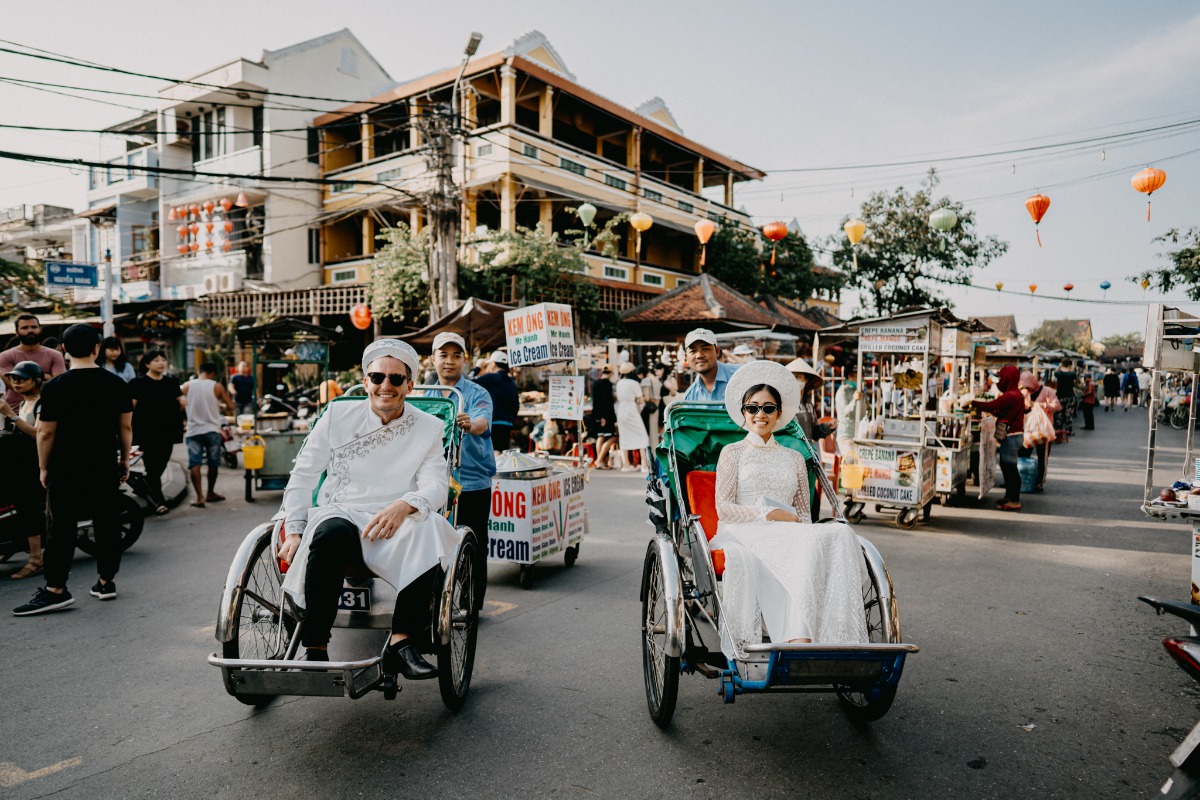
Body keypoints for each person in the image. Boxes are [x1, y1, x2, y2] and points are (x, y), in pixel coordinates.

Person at [277, 339, 461, 678]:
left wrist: (404, 505)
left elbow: (435, 485)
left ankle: (403, 641)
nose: (385, 386)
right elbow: (303, 474)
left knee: (432, 529)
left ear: (409, 383)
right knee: (329, 533)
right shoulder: (337, 414)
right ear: (366, 382)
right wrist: (295, 529)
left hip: (398, 515)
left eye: (395, 379)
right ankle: (315, 645)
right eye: (377, 377)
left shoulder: (429, 427)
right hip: (345, 509)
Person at [707, 360, 868, 658]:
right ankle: (798, 640)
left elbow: (804, 515)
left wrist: (793, 524)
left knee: (840, 535)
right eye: (753, 408)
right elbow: (724, 509)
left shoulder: (794, 457)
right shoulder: (732, 453)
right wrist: (768, 514)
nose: (760, 414)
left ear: (779, 414)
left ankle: (838, 637)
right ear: (743, 412)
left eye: (768, 408)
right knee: (804, 540)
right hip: (744, 531)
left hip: (789, 532)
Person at [13, 324, 133, 616]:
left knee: (61, 527)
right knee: (106, 523)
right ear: (97, 349)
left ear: (63, 350)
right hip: (104, 464)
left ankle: (56, 590)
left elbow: (45, 434)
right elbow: (126, 427)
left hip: (65, 467)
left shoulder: (54, 387)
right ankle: (106, 582)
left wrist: (43, 467)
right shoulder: (116, 384)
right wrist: (125, 459)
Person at [427, 332, 495, 610]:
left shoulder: (477, 393)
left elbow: (482, 423)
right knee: (431, 543)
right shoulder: (423, 395)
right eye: (443, 355)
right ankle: (432, 603)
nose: (449, 362)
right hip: (433, 484)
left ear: (464, 360)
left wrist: (468, 423)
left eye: (456, 356)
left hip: (472, 482)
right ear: (433, 359)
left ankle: (470, 605)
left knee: (473, 543)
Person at [0, 361, 47, 579]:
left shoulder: (41, 404)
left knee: (27, 507)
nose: (16, 383)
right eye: (14, 379)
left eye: (21, 379)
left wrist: (11, 415)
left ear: (36, 380)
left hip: (33, 465)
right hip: (17, 463)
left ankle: (36, 559)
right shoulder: (24, 402)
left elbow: (38, 433)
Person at [130, 351, 185, 515]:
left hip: (167, 432)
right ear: (147, 364)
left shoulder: (171, 382)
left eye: (163, 360)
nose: (161, 363)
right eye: (156, 360)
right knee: (153, 468)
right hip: (145, 432)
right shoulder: (137, 383)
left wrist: (182, 403)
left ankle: (143, 486)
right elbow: (130, 408)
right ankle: (158, 501)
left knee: (159, 465)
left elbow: (179, 402)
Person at [786, 358, 835, 521]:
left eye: (800, 377)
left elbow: (814, 432)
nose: (796, 381)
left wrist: (828, 427)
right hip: (788, 459)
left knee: (810, 501)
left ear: (806, 381)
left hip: (808, 459)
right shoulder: (783, 405)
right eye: (793, 376)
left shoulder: (808, 406)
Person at [182, 362, 234, 507]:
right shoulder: (216, 386)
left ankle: (199, 497)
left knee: (195, 464)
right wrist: (220, 406)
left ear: (198, 371)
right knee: (213, 463)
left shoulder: (186, 386)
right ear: (212, 374)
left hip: (193, 431)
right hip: (212, 429)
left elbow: (180, 404)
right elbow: (231, 406)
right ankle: (210, 493)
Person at [974, 365, 1025, 511]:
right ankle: (1010, 496)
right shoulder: (1015, 394)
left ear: (1008, 378)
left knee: (1010, 468)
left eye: (1002, 377)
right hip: (1013, 436)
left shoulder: (1011, 395)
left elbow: (991, 405)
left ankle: (1015, 500)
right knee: (1006, 466)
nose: (1000, 380)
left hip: (1012, 437)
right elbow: (1003, 410)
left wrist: (972, 403)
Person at [0, 313, 66, 409]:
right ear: (16, 332)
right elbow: (15, 385)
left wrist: (25, 378)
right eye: (25, 328)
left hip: (47, 410)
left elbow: (58, 384)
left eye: (34, 327)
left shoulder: (55, 355)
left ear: (40, 329)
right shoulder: (4, 356)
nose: (30, 330)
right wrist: (46, 376)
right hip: (14, 412)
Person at [1018, 371, 1060, 493]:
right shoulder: (1025, 392)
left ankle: (1039, 482)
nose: (1026, 388)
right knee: (1023, 454)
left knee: (1042, 457)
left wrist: (1039, 405)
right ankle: (1022, 479)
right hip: (1030, 430)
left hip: (1044, 431)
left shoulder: (1047, 391)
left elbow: (1056, 406)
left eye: (1027, 385)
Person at [476, 350, 518, 452]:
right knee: (502, 454)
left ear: (493, 364)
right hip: (507, 424)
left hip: (492, 422)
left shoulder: (491, 377)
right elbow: (516, 406)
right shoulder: (512, 382)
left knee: (493, 453)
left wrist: (477, 368)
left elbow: (467, 383)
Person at [681, 328, 739, 402]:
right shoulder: (690, 397)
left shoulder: (740, 375)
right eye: (693, 351)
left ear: (717, 351)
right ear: (686, 357)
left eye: (705, 349)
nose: (699, 355)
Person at [615, 362, 649, 472]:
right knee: (642, 436)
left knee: (624, 437)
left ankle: (626, 465)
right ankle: (644, 465)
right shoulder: (634, 383)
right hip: (631, 409)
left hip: (621, 410)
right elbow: (641, 399)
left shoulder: (619, 383)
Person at [589, 365, 618, 469]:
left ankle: (600, 462)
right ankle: (599, 460)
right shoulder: (608, 384)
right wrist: (603, 417)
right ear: (610, 373)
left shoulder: (595, 384)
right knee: (613, 437)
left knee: (600, 437)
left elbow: (596, 401)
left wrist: (599, 416)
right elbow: (606, 401)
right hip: (606, 415)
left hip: (596, 413)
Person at [833, 365, 864, 459]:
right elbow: (845, 412)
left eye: (858, 376)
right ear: (847, 377)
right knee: (850, 462)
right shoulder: (843, 391)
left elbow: (867, 410)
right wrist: (854, 400)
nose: (855, 379)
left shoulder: (861, 392)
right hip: (846, 436)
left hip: (859, 435)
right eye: (852, 376)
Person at [638, 364, 662, 445]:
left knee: (651, 433)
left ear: (641, 373)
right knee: (654, 433)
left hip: (650, 409)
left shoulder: (646, 380)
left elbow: (647, 397)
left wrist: (638, 398)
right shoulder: (654, 378)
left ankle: (651, 454)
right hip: (656, 407)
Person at [1054, 361, 1078, 435]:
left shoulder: (1059, 374)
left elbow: (1055, 372)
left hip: (1060, 395)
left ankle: (1058, 429)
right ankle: (1068, 430)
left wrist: (1059, 366)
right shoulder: (1072, 374)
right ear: (1069, 365)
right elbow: (1075, 377)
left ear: (1062, 364)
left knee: (1059, 413)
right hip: (1070, 396)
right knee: (1069, 413)